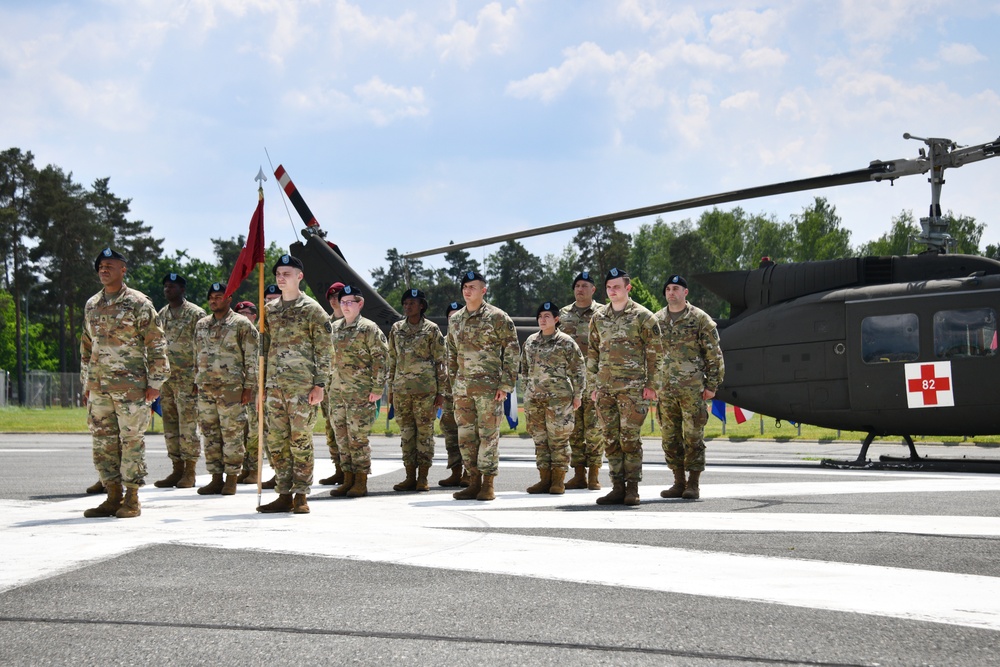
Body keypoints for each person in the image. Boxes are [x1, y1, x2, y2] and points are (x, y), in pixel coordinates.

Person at [81, 248, 169, 519]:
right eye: (100, 266)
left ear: (123, 270)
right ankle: (112, 496)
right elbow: (86, 345)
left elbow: (156, 343)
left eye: (109, 265)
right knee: (103, 442)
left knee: (131, 441)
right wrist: (86, 382)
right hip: (99, 388)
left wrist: (155, 382)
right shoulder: (92, 304)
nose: (103, 269)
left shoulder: (138, 303)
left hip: (131, 388)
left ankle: (132, 498)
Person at [257, 255, 333, 514]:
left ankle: (301, 494)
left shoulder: (312, 309)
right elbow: (264, 350)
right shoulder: (270, 310)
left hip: (302, 387)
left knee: (299, 440)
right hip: (274, 387)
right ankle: (283, 493)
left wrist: (320, 385)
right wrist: (261, 386)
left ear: (299, 276)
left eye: (287, 273)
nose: (281, 277)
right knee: (276, 442)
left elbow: (325, 350)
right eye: (278, 273)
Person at [587, 267, 661, 507]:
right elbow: (593, 353)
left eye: (617, 287)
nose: (612, 291)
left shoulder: (644, 317)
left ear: (628, 288)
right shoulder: (598, 317)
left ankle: (632, 488)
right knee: (610, 439)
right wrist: (593, 386)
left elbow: (655, 354)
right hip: (605, 389)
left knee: (629, 439)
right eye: (609, 287)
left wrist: (652, 385)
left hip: (633, 388)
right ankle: (616, 487)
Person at [447, 271, 519, 502]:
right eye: (465, 287)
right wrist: (453, 383)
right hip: (463, 390)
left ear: (483, 290)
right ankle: (473, 481)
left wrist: (506, 384)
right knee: (466, 437)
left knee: (488, 436)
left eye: (473, 287)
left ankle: (488, 484)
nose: (467, 291)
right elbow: (450, 353)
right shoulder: (455, 319)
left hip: (490, 390)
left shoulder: (498, 317)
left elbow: (512, 350)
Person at [654, 275, 725, 500]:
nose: (671, 292)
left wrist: (712, 385)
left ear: (685, 292)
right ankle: (678, 482)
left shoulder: (700, 319)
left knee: (693, 436)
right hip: (665, 391)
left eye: (676, 288)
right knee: (669, 437)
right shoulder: (656, 320)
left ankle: (693, 483)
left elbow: (714, 355)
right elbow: (650, 355)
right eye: (668, 289)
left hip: (692, 390)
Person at [193, 283, 259, 496]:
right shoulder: (201, 324)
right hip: (206, 388)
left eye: (219, 296)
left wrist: (249, 387)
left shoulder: (241, 324)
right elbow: (197, 355)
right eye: (211, 297)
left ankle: (231, 478)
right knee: (210, 434)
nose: (214, 300)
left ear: (229, 298)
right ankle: (215, 477)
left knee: (232, 433)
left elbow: (251, 358)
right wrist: (197, 381)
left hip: (231, 389)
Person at [328, 285, 388, 498]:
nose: (345, 306)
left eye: (349, 302)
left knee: (358, 438)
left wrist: (377, 388)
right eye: (342, 302)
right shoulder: (334, 328)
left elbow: (381, 359)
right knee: (341, 437)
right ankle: (348, 479)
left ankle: (361, 481)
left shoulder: (368, 328)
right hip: (337, 394)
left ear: (360, 304)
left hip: (360, 393)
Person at [520, 302, 585, 495]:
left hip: (559, 401)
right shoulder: (531, 341)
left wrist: (578, 395)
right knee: (540, 440)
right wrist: (527, 392)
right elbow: (524, 368)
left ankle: (558, 480)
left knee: (558, 440)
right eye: (540, 316)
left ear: (556, 319)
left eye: (547, 316)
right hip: (535, 400)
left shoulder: (566, 342)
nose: (542, 319)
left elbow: (578, 370)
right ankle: (544, 479)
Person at [387, 288, 446, 492]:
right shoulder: (396, 329)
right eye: (405, 303)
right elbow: (392, 359)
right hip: (402, 391)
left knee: (425, 435)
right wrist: (391, 390)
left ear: (422, 305)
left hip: (425, 392)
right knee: (406, 435)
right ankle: (409, 476)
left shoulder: (431, 330)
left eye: (412, 303)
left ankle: (423, 477)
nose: (407, 306)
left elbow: (441, 362)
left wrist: (441, 393)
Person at [153, 273, 206, 489]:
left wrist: (199, 377)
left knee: (188, 426)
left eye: (172, 286)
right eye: (166, 286)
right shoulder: (161, 315)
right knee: (170, 426)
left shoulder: (196, 314)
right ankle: (176, 469)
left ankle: (190, 472)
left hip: (188, 380)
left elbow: (205, 347)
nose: (168, 290)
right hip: (167, 380)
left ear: (182, 290)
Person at [558, 271, 605, 491]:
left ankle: (594, 474)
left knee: (594, 429)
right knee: (574, 430)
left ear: (593, 290)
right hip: (570, 383)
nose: (580, 289)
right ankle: (579, 474)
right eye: (577, 285)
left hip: (595, 381)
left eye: (585, 285)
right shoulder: (563, 314)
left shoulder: (603, 313)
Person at [233, 300, 267, 485]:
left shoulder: (257, 335)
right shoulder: (235, 335)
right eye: (240, 313)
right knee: (243, 431)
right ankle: (246, 468)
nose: (243, 317)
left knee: (255, 431)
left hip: (254, 388)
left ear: (254, 316)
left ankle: (254, 469)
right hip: (239, 387)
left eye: (247, 313)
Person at [318, 282, 346, 486]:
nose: (335, 299)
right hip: (328, 388)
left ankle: (352, 472)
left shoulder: (354, 322)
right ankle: (339, 469)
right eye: (331, 296)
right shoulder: (324, 325)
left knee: (350, 431)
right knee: (331, 430)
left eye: (339, 296)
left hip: (350, 388)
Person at [437, 301, 465, 487]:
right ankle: (455, 471)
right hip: (447, 396)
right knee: (451, 435)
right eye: (450, 317)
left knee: (469, 436)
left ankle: (471, 473)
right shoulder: (441, 342)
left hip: (466, 396)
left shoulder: (468, 340)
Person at [258, 284, 282, 490]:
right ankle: (277, 471)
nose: (271, 302)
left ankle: (288, 477)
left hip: (290, 386)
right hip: (268, 386)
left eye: (275, 298)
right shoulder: (264, 322)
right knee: (269, 434)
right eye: (268, 299)